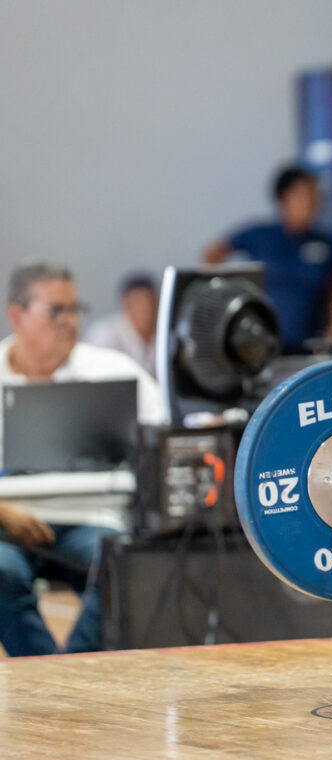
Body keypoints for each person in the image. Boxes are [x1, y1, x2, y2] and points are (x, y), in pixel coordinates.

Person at [0, 262, 162, 656]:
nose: (71, 321)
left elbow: (164, 440)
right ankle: (45, 674)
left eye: (76, 309)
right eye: (57, 311)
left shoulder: (115, 371)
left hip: (95, 519)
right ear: (17, 315)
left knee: (121, 561)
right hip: (9, 522)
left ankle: (67, 669)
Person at [203, 165, 332, 352]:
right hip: (263, 343)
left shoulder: (323, 243)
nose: (313, 204)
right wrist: (226, 299)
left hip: (311, 344)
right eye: (304, 196)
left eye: (316, 197)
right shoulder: (261, 236)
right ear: (283, 198)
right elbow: (213, 253)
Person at [83, 272, 158, 377]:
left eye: (150, 305)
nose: (146, 311)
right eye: (138, 304)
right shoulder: (104, 334)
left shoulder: (162, 334)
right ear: (126, 304)